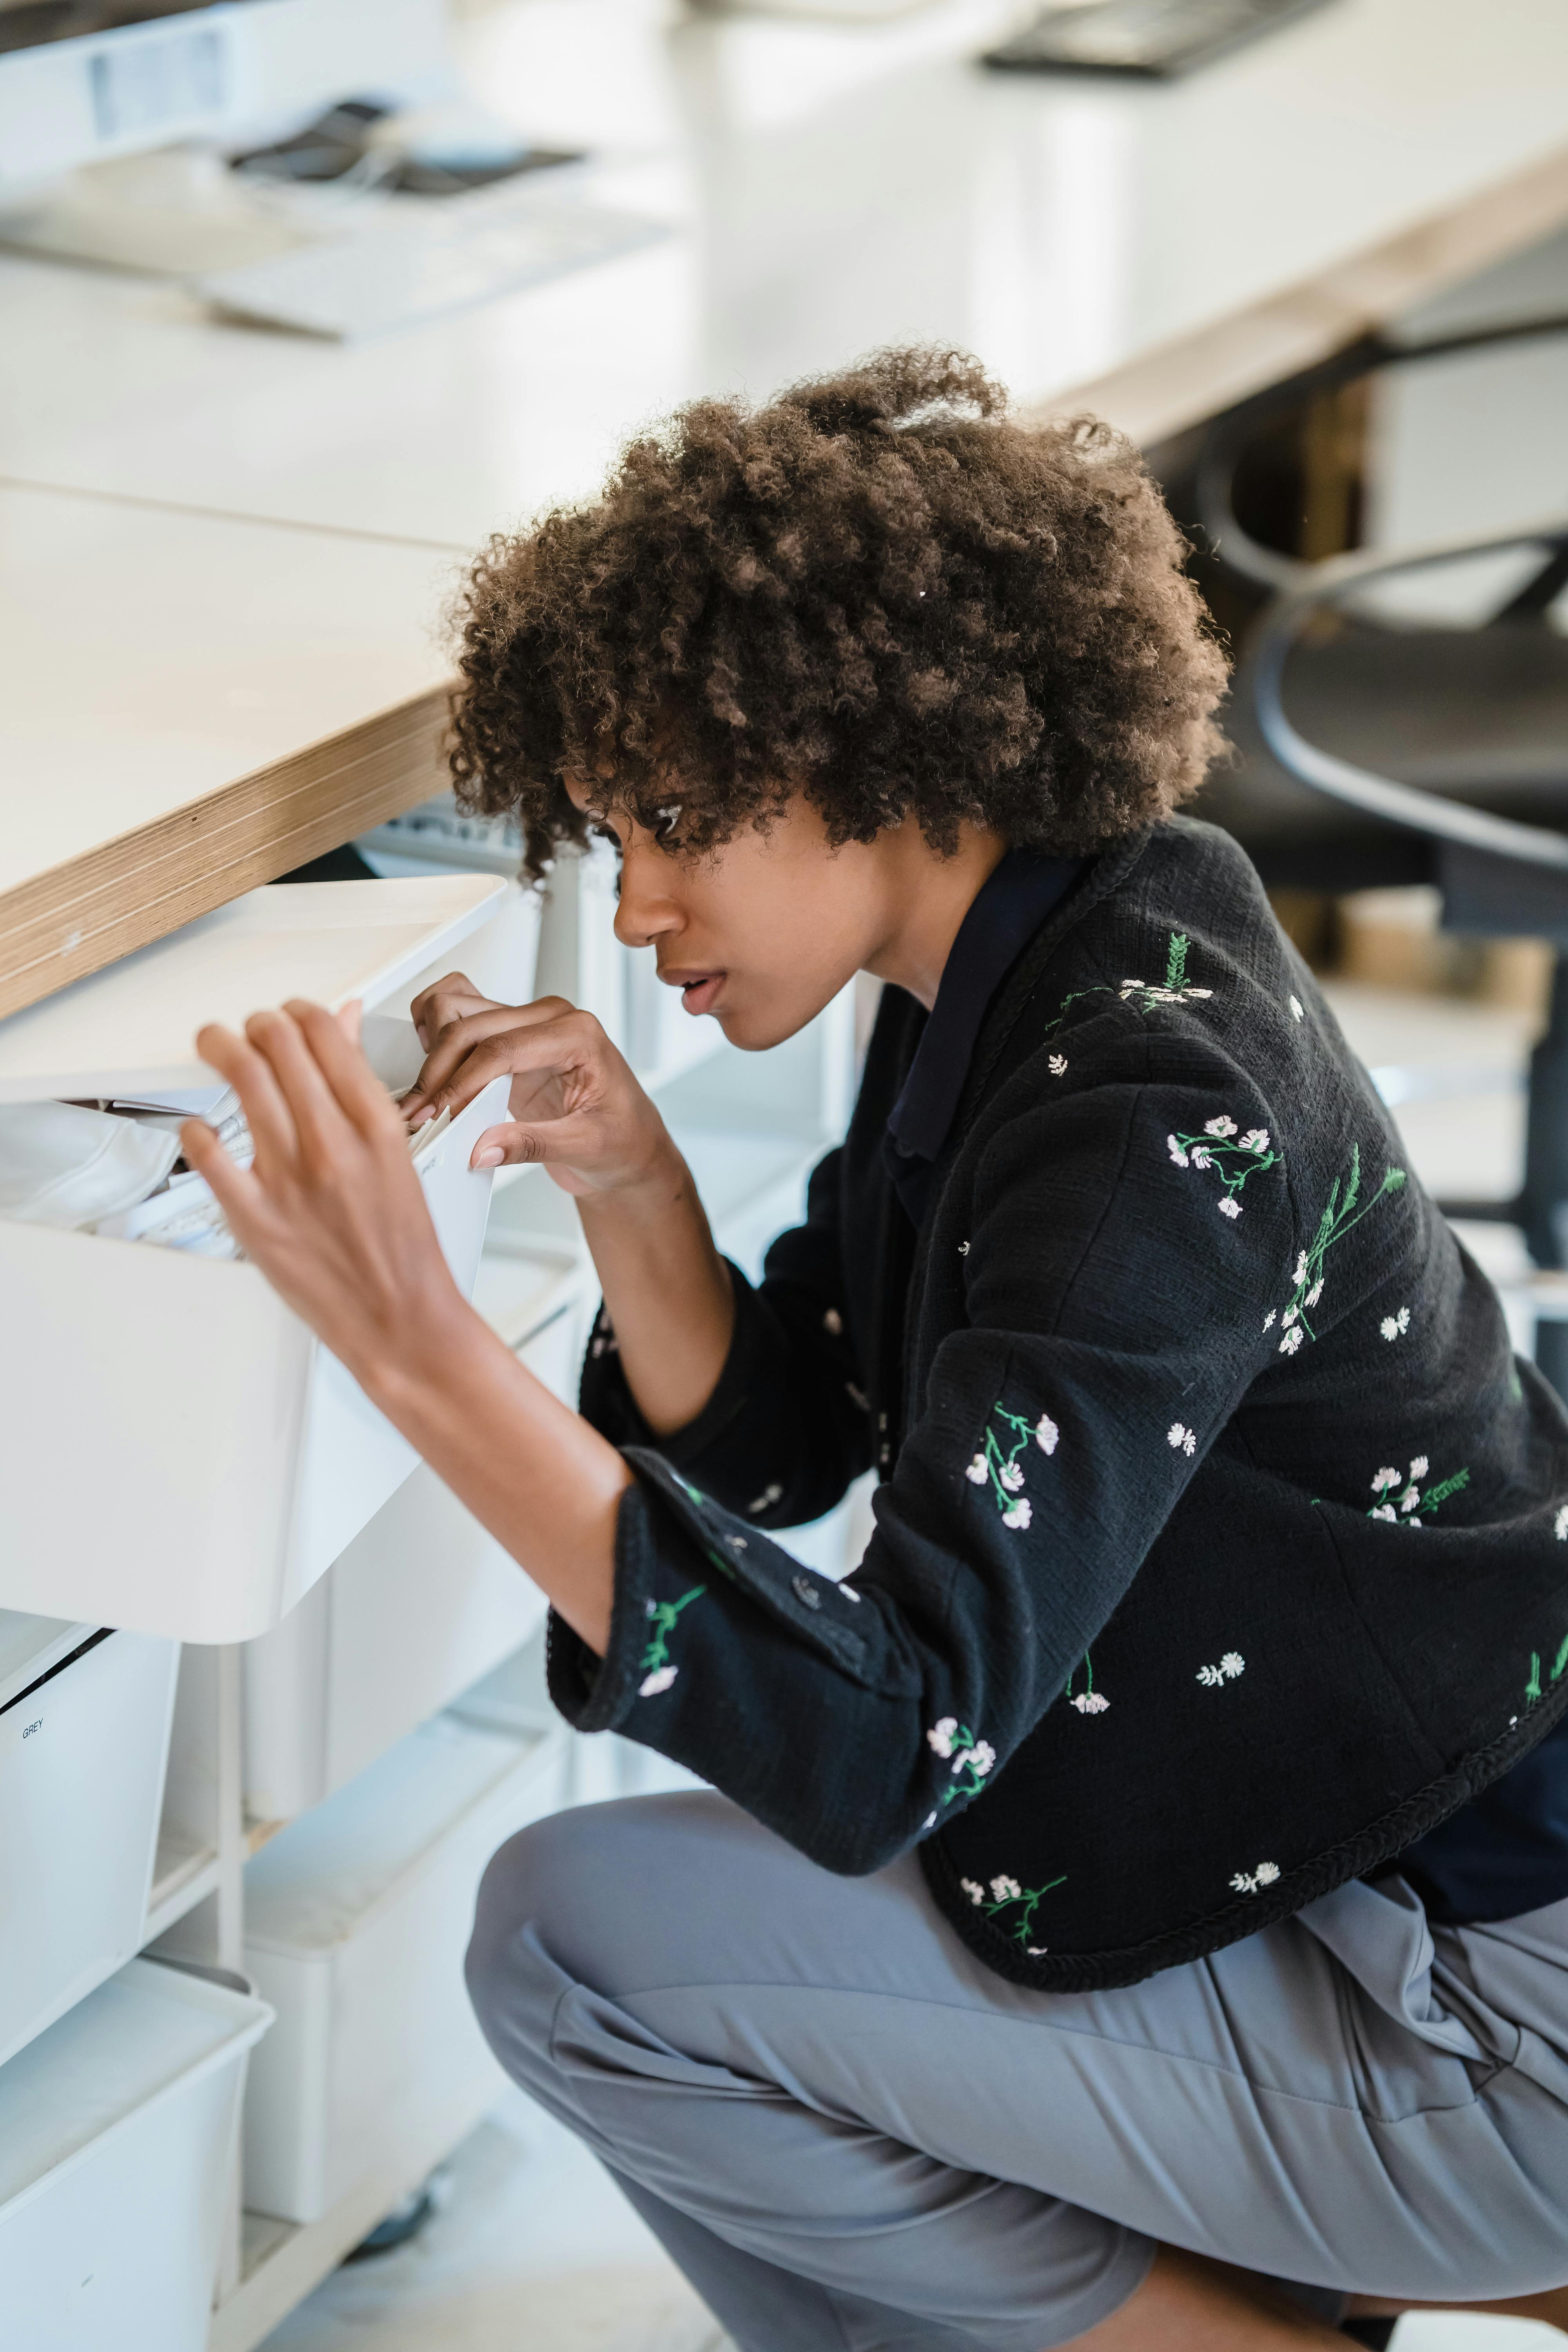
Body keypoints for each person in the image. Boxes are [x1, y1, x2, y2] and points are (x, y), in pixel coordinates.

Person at [185, 351, 1568, 2350]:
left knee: (579, 1951)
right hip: (1344, 1879)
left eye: (674, 819)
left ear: (878, 743)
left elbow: (885, 1735)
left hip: (1478, 2005)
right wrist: (632, 1183)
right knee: (702, 1978)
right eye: (611, 833)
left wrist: (411, 1331)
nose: (638, 900)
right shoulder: (1047, 950)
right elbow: (805, 1421)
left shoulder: (1138, 1111)